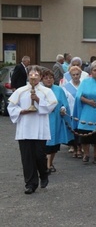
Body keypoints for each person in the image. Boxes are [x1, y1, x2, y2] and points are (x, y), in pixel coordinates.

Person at [7, 65, 57, 194]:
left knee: (39, 156)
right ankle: (30, 183)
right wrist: (21, 111)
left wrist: (39, 100)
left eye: (36, 75)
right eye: (31, 75)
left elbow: (52, 105)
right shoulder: (21, 91)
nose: (33, 78)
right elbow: (11, 106)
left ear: (40, 77)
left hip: (40, 128)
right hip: (25, 128)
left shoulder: (46, 91)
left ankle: (44, 173)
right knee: (27, 157)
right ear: (28, 76)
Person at [74, 61, 96, 163]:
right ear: (91, 71)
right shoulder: (85, 82)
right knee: (85, 135)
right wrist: (88, 101)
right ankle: (86, 153)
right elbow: (78, 96)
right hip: (87, 111)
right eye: (94, 70)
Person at [41, 69, 73, 173]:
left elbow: (65, 103)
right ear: (42, 80)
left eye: (50, 78)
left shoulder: (59, 90)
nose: (48, 80)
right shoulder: (39, 90)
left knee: (54, 145)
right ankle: (46, 165)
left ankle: (49, 163)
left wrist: (63, 108)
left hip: (56, 120)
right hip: (44, 120)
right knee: (45, 145)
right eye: (46, 78)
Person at [63, 66, 83, 157]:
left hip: (81, 111)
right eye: (73, 75)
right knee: (72, 130)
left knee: (80, 130)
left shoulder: (83, 85)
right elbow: (64, 100)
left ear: (80, 75)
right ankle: (74, 147)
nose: (75, 76)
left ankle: (80, 147)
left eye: (77, 74)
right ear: (70, 75)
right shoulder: (66, 87)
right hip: (70, 111)